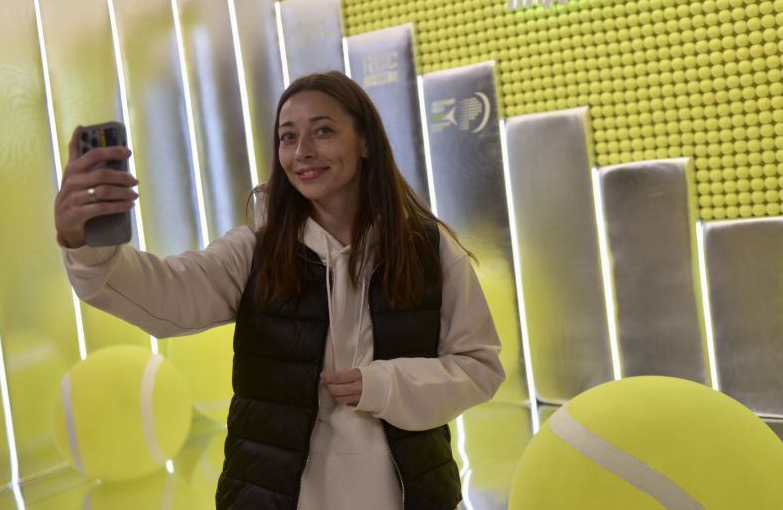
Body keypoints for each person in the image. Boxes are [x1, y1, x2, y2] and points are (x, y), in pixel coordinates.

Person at [54, 71, 506, 510]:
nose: (302, 151)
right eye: (288, 137)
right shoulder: (255, 252)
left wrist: (386, 384)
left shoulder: (428, 249)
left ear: (366, 141)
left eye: (323, 131)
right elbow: (165, 299)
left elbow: (479, 366)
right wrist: (82, 242)